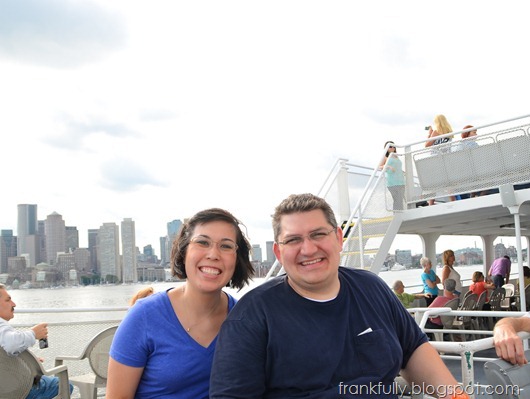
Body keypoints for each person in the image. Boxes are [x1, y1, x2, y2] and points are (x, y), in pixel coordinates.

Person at [210, 193, 460, 398]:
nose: (308, 249)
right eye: (294, 240)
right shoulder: (252, 317)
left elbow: (413, 349)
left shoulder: (371, 288)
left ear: (339, 238)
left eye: (318, 234)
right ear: (278, 251)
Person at [107, 208, 254, 399]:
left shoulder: (244, 319)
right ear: (184, 252)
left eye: (226, 246)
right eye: (202, 242)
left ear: (237, 259)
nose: (213, 254)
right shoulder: (143, 317)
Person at [0, 283, 74, 399]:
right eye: (8, 300)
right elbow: (11, 344)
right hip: (19, 390)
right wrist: (33, 333)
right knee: (64, 385)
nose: (14, 304)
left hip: (5, 388)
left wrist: (28, 362)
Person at [425, 114, 456, 205]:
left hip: (435, 159)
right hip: (446, 158)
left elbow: (427, 145)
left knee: (434, 183)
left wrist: (429, 134)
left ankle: (431, 203)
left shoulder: (436, 131)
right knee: (448, 183)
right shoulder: (449, 132)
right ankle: (453, 201)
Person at [379, 141, 405, 211]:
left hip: (401, 180)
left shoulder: (396, 156)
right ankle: (397, 216)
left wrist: (402, 171)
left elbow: (397, 167)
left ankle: (400, 215)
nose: (392, 148)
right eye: (390, 146)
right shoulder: (385, 156)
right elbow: (379, 167)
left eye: (394, 146)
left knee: (400, 199)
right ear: (386, 148)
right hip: (392, 181)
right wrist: (388, 166)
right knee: (396, 199)